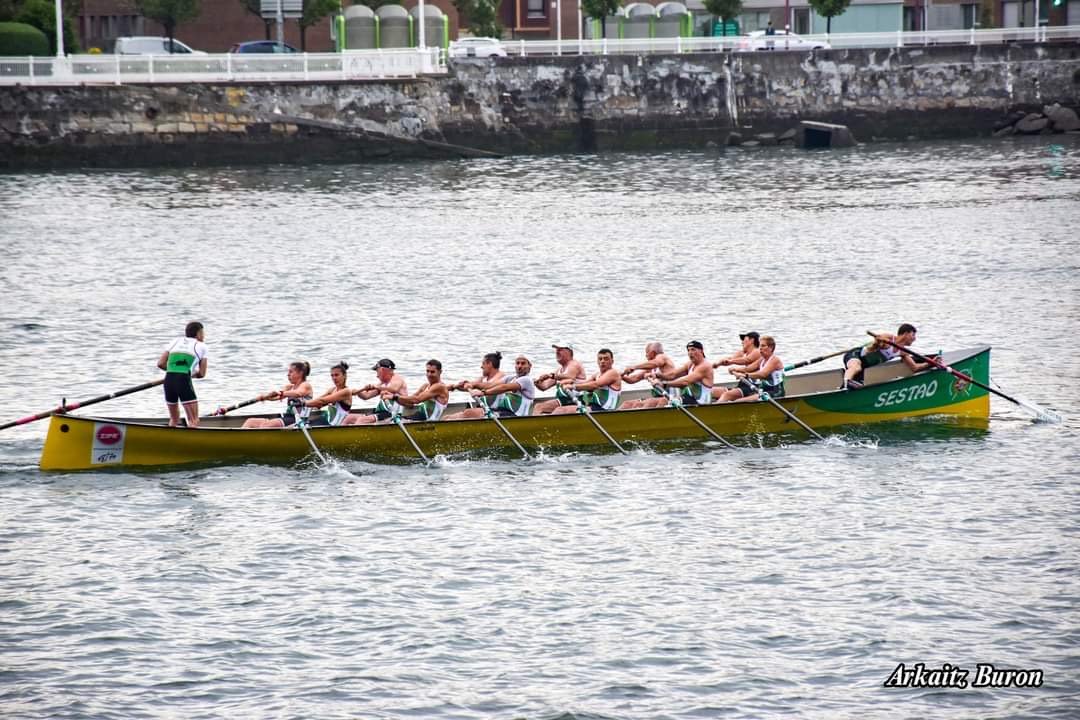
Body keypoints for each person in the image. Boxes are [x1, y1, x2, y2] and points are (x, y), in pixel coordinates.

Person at [842, 323, 934, 389]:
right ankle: (846, 383)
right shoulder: (889, 338)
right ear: (905, 334)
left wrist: (931, 363)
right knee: (856, 367)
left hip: (865, 366)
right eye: (913, 335)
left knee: (860, 384)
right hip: (855, 355)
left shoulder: (903, 352)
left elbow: (915, 368)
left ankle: (846, 386)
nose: (914, 338)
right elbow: (875, 344)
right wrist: (879, 342)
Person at [158, 321, 208, 428]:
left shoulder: (175, 341)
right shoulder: (202, 346)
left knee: (174, 419)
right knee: (193, 420)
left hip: (169, 380)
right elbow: (202, 373)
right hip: (183, 380)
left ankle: (170, 440)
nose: (204, 335)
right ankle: (191, 444)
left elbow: (160, 364)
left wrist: (174, 370)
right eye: (203, 332)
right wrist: (190, 374)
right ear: (198, 333)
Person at [241, 361, 315, 429]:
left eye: (291, 372)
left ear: (300, 373)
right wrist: (265, 397)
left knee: (266, 426)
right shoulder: (289, 387)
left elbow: (298, 393)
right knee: (250, 421)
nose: (288, 374)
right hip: (287, 417)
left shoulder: (306, 385)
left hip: (299, 420)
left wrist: (282, 393)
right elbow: (277, 397)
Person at [716, 336, 784, 402]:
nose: (760, 348)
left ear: (771, 347)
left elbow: (763, 374)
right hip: (764, 390)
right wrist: (735, 369)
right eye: (760, 346)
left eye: (763, 346)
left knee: (739, 401)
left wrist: (745, 375)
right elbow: (748, 368)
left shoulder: (775, 360)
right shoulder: (762, 360)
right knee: (737, 400)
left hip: (776, 392)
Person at [553, 348, 622, 413]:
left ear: (612, 361)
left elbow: (595, 385)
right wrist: (570, 382)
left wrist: (573, 386)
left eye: (606, 359)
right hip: (594, 408)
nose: (602, 361)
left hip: (605, 410)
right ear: (597, 361)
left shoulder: (613, 373)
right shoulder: (597, 375)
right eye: (600, 359)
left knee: (561, 410)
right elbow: (583, 383)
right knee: (559, 409)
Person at [442, 352, 508, 421]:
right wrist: (457, 386)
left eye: (483, 363)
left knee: (468, 412)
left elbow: (488, 385)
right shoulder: (483, 378)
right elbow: (471, 386)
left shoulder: (501, 376)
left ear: (489, 364)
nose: (481, 366)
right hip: (484, 410)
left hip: (498, 411)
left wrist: (473, 385)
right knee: (446, 417)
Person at [343, 358, 408, 425]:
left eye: (377, 371)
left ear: (382, 370)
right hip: (381, 413)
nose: (376, 375)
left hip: (393, 414)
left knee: (362, 420)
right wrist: (358, 392)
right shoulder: (382, 384)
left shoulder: (397, 378)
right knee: (348, 418)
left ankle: (357, 435)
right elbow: (366, 396)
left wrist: (375, 386)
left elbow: (394, 389)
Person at [471, 355, 537, 418]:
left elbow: (504, 387)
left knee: (475, 413)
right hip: (502, 412)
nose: (519, 366)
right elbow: (490, 385)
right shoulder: (510, 378)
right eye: (517, 363)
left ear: (529, 366)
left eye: (523, 363)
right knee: (468, 412)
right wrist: (472, 385)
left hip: (514, 416)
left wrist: (483, 393)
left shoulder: (527, 380)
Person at [654, 340, 715, 406]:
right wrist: (657, 375)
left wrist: (664, 384)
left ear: (701, 351)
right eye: (688, 350)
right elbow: (673, 375)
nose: (690, 353)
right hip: (691, 399)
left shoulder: (705, 366)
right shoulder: (690, 364)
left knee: (671, 403)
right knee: (668, 402)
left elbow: (685, 382)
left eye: (693, 350)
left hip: (702, 403)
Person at [620, 342, 677, 410]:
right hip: (659, 398)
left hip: (672, 398)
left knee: (650, 402)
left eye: (646, 353)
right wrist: (619, 375)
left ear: (652, 353)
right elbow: (633, 379)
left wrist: (635, 367)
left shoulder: (662, 357)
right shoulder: (650, 368)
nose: (645, 355)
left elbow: (656, 363)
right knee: (627, 403)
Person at [533, 343, 586, 414]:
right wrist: (537, 382)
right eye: (556, 350)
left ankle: (549, 424)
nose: (557, 352)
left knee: (558, 411)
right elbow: (544, 387)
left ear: (569, 352)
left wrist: (550, 376)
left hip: (577, 401)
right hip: (563, 400)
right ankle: (537, 424)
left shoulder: (574, 364)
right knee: (538, 406)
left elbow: (570, 376)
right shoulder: (559, 370)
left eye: (560, 349)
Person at [305, 361, 353, 427]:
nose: (334, 378)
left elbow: (322, 400)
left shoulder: (346, 391)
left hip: (338, 426)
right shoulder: (332, 390)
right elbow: (319, 401)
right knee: (301, 424)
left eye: (336, 375)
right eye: (332, 375)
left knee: (304, 425)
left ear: (344, 375)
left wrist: (303, 403)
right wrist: (305, 404)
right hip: (328, 422)